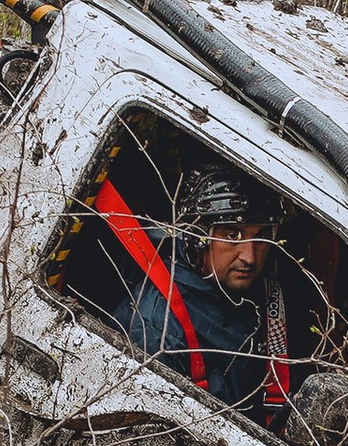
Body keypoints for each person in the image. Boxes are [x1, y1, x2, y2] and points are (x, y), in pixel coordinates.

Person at [117, 167, 297, 423]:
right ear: (197, 238)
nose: (250, 256)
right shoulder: (158, 329)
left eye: (261, 236)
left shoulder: (259, 291)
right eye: (232, 235)